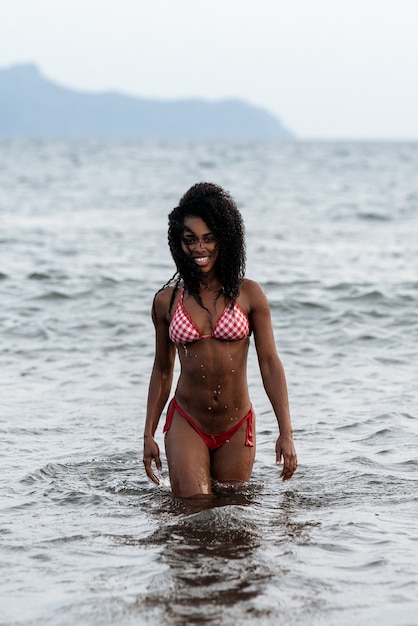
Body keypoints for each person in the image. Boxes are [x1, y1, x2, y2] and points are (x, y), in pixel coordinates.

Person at [143, 182, 297, 498]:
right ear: (178, 243)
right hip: (188, 420)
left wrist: (286, 433)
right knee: (193, 509)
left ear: (225, 239)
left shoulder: (249, 294)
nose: (200, 248)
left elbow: (269, 364)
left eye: (209, 239)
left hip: (237, 424)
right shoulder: (166, 302)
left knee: (235, 517)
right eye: (190, 240)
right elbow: (162, 370)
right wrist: (148, 434)